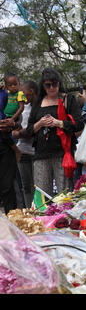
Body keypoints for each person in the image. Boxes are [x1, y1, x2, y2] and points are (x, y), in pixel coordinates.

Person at [26, 68, 84, 196]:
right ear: (43, 86)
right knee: (42, 194)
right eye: (48, 85)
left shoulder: (68, 99)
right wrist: (40, 123)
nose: (52, 88)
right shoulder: (38, 102)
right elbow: (29, 130)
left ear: (59, 83)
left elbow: (79, 123)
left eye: (55, 84)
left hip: (62, 153)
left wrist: (59, 123)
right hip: (41, 153)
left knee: (64, 194)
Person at [11, 80, 38, 209]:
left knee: (37, 186)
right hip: (22, 151)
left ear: (31, 91)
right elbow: (19, 124)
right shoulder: (23, 108)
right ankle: (29, 211)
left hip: (36, 152)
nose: (22, 96)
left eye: (24, 93)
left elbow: (32, 130)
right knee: (26, 186)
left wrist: (19, 133)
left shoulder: (39, 107)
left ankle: (38, 212)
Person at [0, 84, 20, 213]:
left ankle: (11, 220)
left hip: (4, 145)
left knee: (7, 186)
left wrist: (12, 124)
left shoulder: (4, 93)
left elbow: (7, 118)